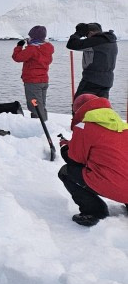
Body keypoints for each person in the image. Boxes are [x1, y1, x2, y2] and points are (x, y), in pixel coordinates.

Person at [57, 94, 128, 226]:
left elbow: (74, 160)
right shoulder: (123, 126)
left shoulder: (84, 127)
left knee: (66, 172)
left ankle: (94, 212)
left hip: (114, 186)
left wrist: (65, 148)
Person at [66, 22, 118, 99]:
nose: (87, 38)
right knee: (101, 107)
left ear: (91, 33)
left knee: (80, 104)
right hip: (107, 81)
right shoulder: (111, 40)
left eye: (87, 35)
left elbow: (72, 44)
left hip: (91, 80)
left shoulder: (95, 41)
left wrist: (78, 33)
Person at [12, 25, 54, 119]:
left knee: (35, 106)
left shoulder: (32, 49)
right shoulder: (47, 48)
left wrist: (19, 47)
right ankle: (44, 124)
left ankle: (40, 127)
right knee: (41, 105)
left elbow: (17, 57)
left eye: (30, 36)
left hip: (33, 82)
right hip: (43, 81)